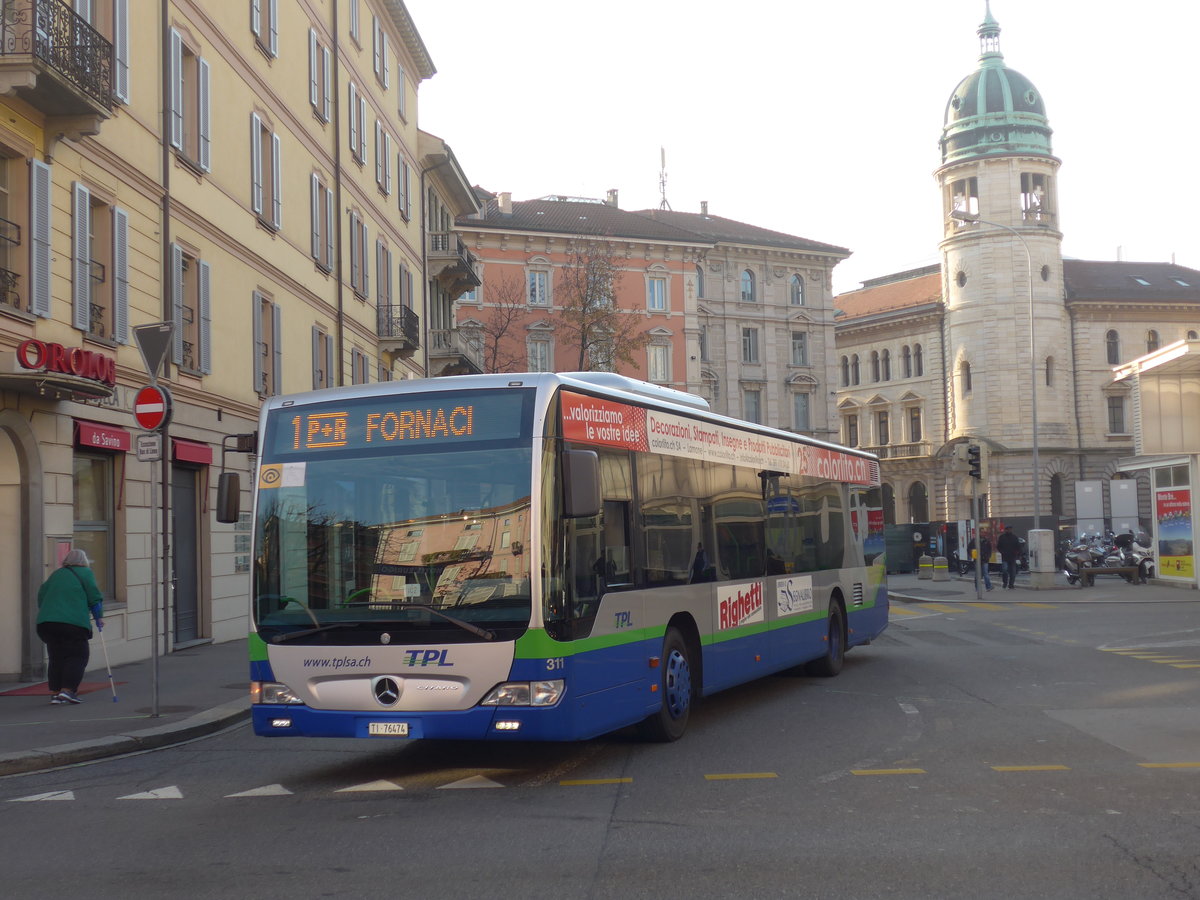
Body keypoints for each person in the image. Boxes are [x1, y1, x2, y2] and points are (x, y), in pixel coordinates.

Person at [36, 548, 104, 705]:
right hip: (72, 623)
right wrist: (99, 617)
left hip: (47, 623)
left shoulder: (57, 574)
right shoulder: (85, 573)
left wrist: (50, 611)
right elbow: (94, 597)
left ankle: (55, 692)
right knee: (78, 656)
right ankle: (68, 691)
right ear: (84, 561)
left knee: (56, 657)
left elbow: (41, 595)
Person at [997, 525, 1022, 589]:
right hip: (1005, 557)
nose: (1009, 530)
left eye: (1010, 529)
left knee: (1012, 572)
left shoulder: (1014, 537)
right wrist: (1002, 552)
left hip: (1012, 557)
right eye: (1008, 529)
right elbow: (998, 546)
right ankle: (1005, 582)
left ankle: (1011, 585)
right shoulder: (1002, 537)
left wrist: (1017, 553)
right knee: (1005, 570)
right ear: (1005, 530)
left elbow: (1018, 546)